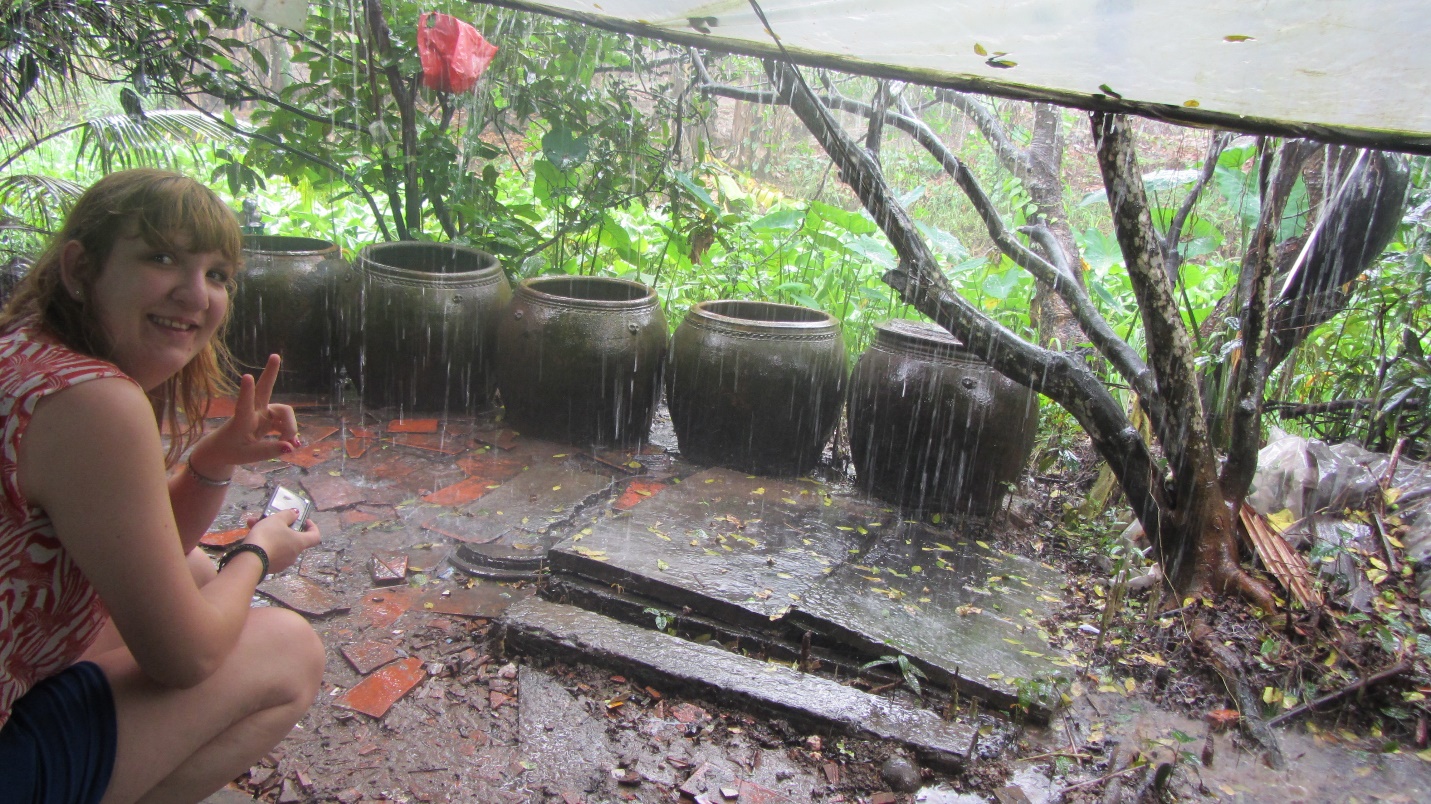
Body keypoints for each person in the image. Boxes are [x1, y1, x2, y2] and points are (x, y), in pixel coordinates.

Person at [0, 169, 325, 804]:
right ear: (78, 267)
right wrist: (256, 553)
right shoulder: (93, 402)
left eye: (216, 275)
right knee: (289, 649)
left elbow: (135, 548)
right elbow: (185, 658)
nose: (195, 295)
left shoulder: (25, 350)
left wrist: (216, 456)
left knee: (196, 573)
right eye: (163, 258)